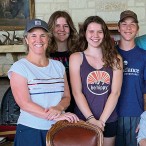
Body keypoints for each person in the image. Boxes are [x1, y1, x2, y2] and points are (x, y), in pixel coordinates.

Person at [8, 18, 79, 146]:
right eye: (33, 36)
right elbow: (24, 103)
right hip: (31, 130)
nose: (38, 40)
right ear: (26, 40)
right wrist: (56, 116)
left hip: (58, 130)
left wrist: (59, 108)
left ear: (48, 39)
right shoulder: (19, 68)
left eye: (43, 35)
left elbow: (67, 97)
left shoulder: (58, 66)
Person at [69, 16, 123, 146]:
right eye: (91, 31)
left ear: (104, 34)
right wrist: (91, 119)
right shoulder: (76, 58)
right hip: (83, 119)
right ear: (85, 33)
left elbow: (115, 93)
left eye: (99, 31)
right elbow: (77, 92)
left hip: (108, 119)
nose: (95, 35)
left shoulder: (116, 59)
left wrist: (101, 121)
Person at [115, 10, 146, 146]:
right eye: (124, 24)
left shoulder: (144, 56)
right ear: (118, 28)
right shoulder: (109, 54)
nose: (128, 28)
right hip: (111, 115)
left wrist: (145, 119)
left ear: (137, 29)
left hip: (136, 116)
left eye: (132, 24)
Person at [47, 10, 78, 113]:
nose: (62, 29)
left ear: (70, 29)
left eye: (65, 26)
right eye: (57, 26)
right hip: (54, 104)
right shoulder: (45, 54)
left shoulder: (78, 52)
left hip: (77, 102)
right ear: (51, 28)